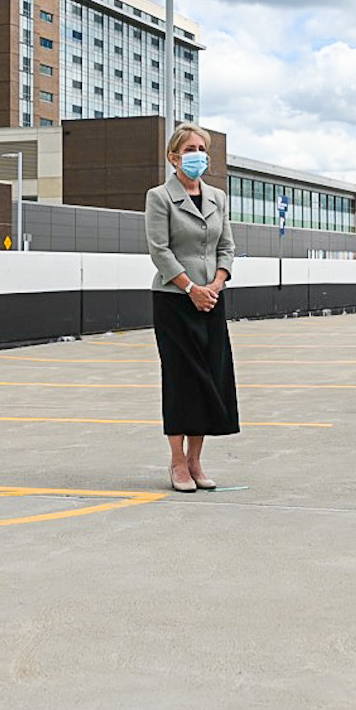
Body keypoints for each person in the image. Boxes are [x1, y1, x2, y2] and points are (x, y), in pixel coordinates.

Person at [144, 123, 239, 493]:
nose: (198, 154)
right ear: (173, 157)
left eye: (202, 148)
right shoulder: (160, 197)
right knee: (181, 379)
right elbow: (159, 249)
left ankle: (197, 460)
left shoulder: (217, 197)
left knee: (209, 379)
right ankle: (177, 462)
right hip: (174, 300)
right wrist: (191, 288)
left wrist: (215, 283)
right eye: (190, 149)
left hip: (211, 299)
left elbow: (226, 246)